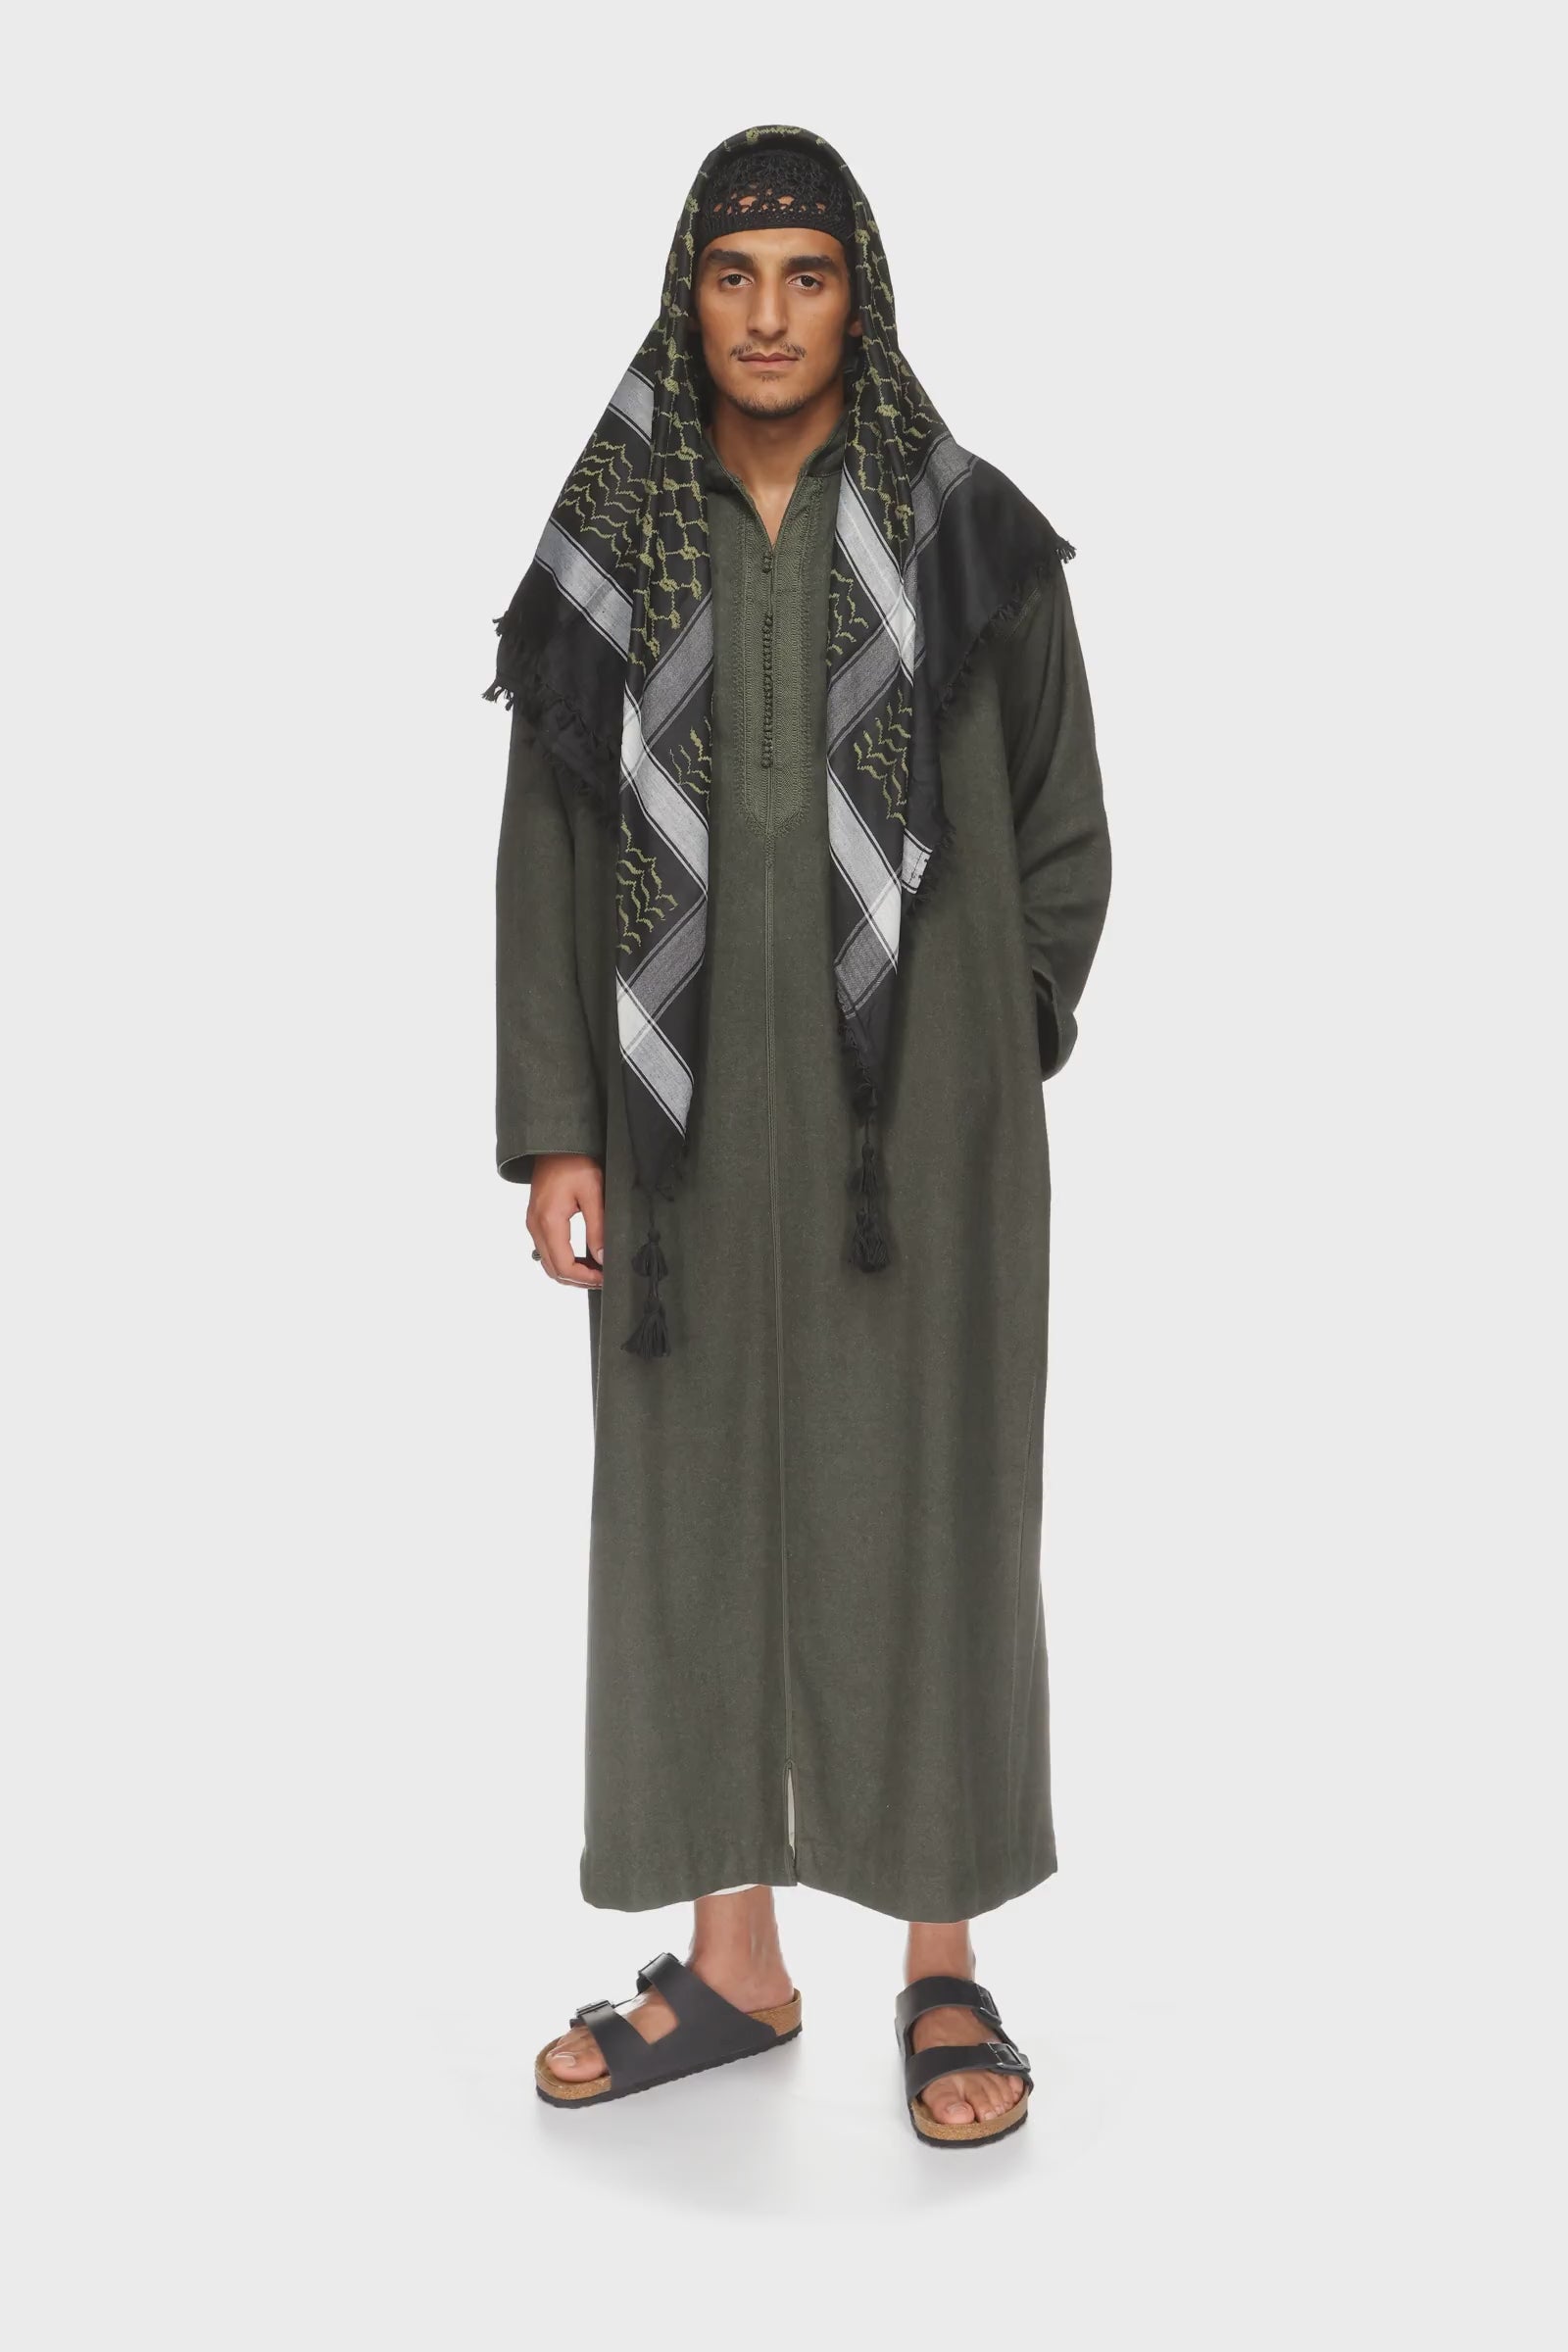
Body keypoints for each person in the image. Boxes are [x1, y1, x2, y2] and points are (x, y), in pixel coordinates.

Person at [487, 125, 1111, 2147]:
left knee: (929, 1508)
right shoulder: (609, 540)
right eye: (734, 274)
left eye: (807, 274)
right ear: (690, 293)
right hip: (671, 1129)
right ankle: (734, 1962)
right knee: (685, 1508)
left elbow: (1063, 833)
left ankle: (942, 1962)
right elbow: (548, 846)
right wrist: (559, 1128)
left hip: (919, 1139)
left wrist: (991, 1037)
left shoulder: (963, 533)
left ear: (862, 295)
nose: (768, 315)